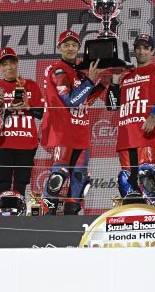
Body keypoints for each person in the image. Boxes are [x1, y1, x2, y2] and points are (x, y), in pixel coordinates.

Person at [40, 30, 106, 215]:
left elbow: (85, 100)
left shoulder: (79, 73)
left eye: (74, 45)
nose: (70, 48)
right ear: (59, 47)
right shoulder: (58, 70)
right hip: (62, 132)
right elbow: (71, 101)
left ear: (79, 48)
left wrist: (103, 84)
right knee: (58, 176)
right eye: (66, 45)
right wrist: (90, 80)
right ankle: (47, 217)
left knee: (79, 178)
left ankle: (71, 218)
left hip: (81, 133)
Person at [105, 34, 155, 206]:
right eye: (138, 48)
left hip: (147, 133)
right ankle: (132, 216)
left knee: (146, 175)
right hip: (126, 135)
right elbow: (112, 106)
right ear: (134, 50)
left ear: (152, 51)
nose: (142, 51)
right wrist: (114, 83)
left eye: (146, 48)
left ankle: (154, 215)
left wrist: (154, 115)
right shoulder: (125, 75)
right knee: (125, 178)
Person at [0, 47, 44, 214]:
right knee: (4, 183)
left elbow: (42, 113)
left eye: (11, 62)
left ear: (17, 63)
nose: (9, 67)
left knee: (21, 184)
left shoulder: (31, 85)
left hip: (27, 142)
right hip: (3, 142)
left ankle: (19, 215)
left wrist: (28, 107)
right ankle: (3, 216)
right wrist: (7, 109)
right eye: (4, 64)